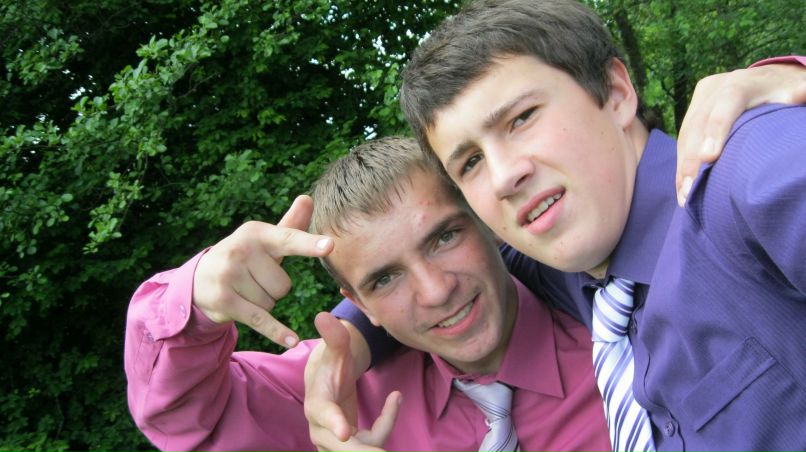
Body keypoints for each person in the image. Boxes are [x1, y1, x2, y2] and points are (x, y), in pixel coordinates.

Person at [314, 1, 806, 451]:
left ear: (615, 92)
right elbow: (444, 278)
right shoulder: (569, 271)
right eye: (470, 163)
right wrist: (349, 337)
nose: (504, 177)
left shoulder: (742, 181)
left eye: (521, 118)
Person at [124, 137, 611, 451]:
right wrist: (194, 304)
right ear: (358, 304)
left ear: (486, 223)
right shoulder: (334, 392)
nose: (436, 290)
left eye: (445, 238)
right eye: (384, 279)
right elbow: (185, 418)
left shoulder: (624, 331)